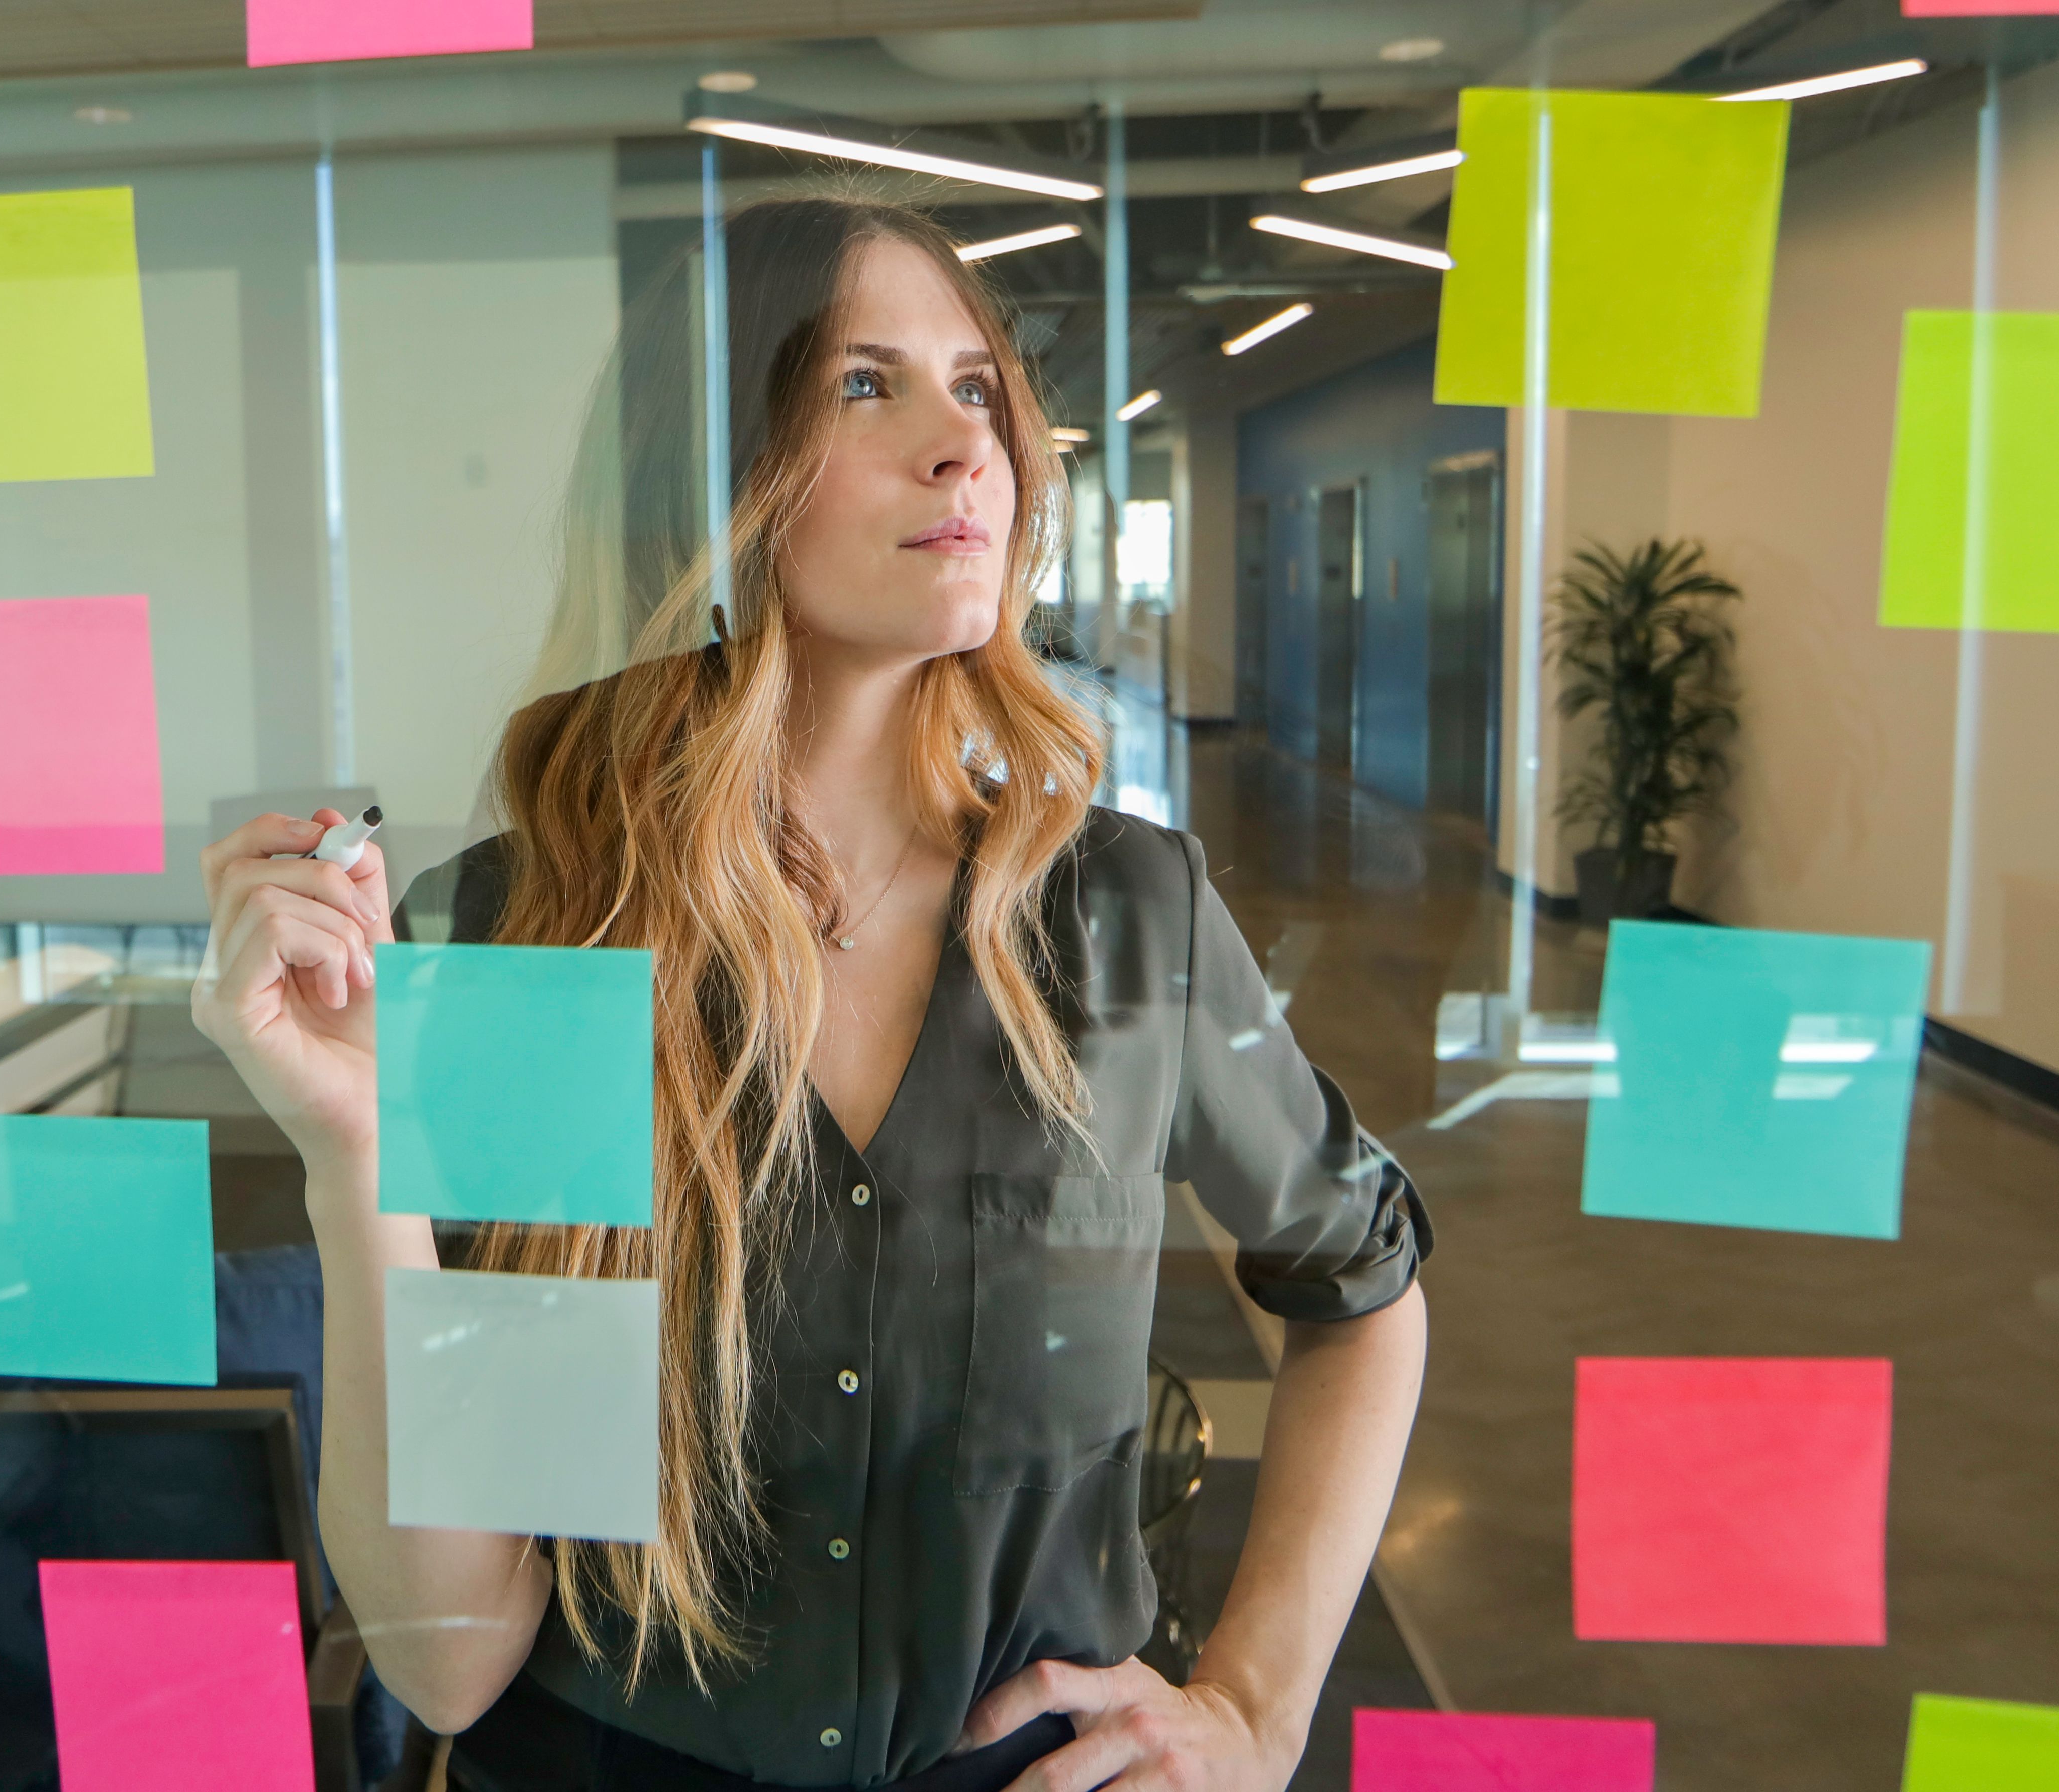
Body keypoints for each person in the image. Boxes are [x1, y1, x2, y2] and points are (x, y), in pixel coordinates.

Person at [197, 192, 1429, 1792]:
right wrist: (354, 1162)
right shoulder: (528, 942)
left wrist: (1257, 1710)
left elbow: (1362, 1289)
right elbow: (451, 1661)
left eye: (974, 386)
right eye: (864, 385)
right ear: (710, 478)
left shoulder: (1123, 922)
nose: (960, 445)